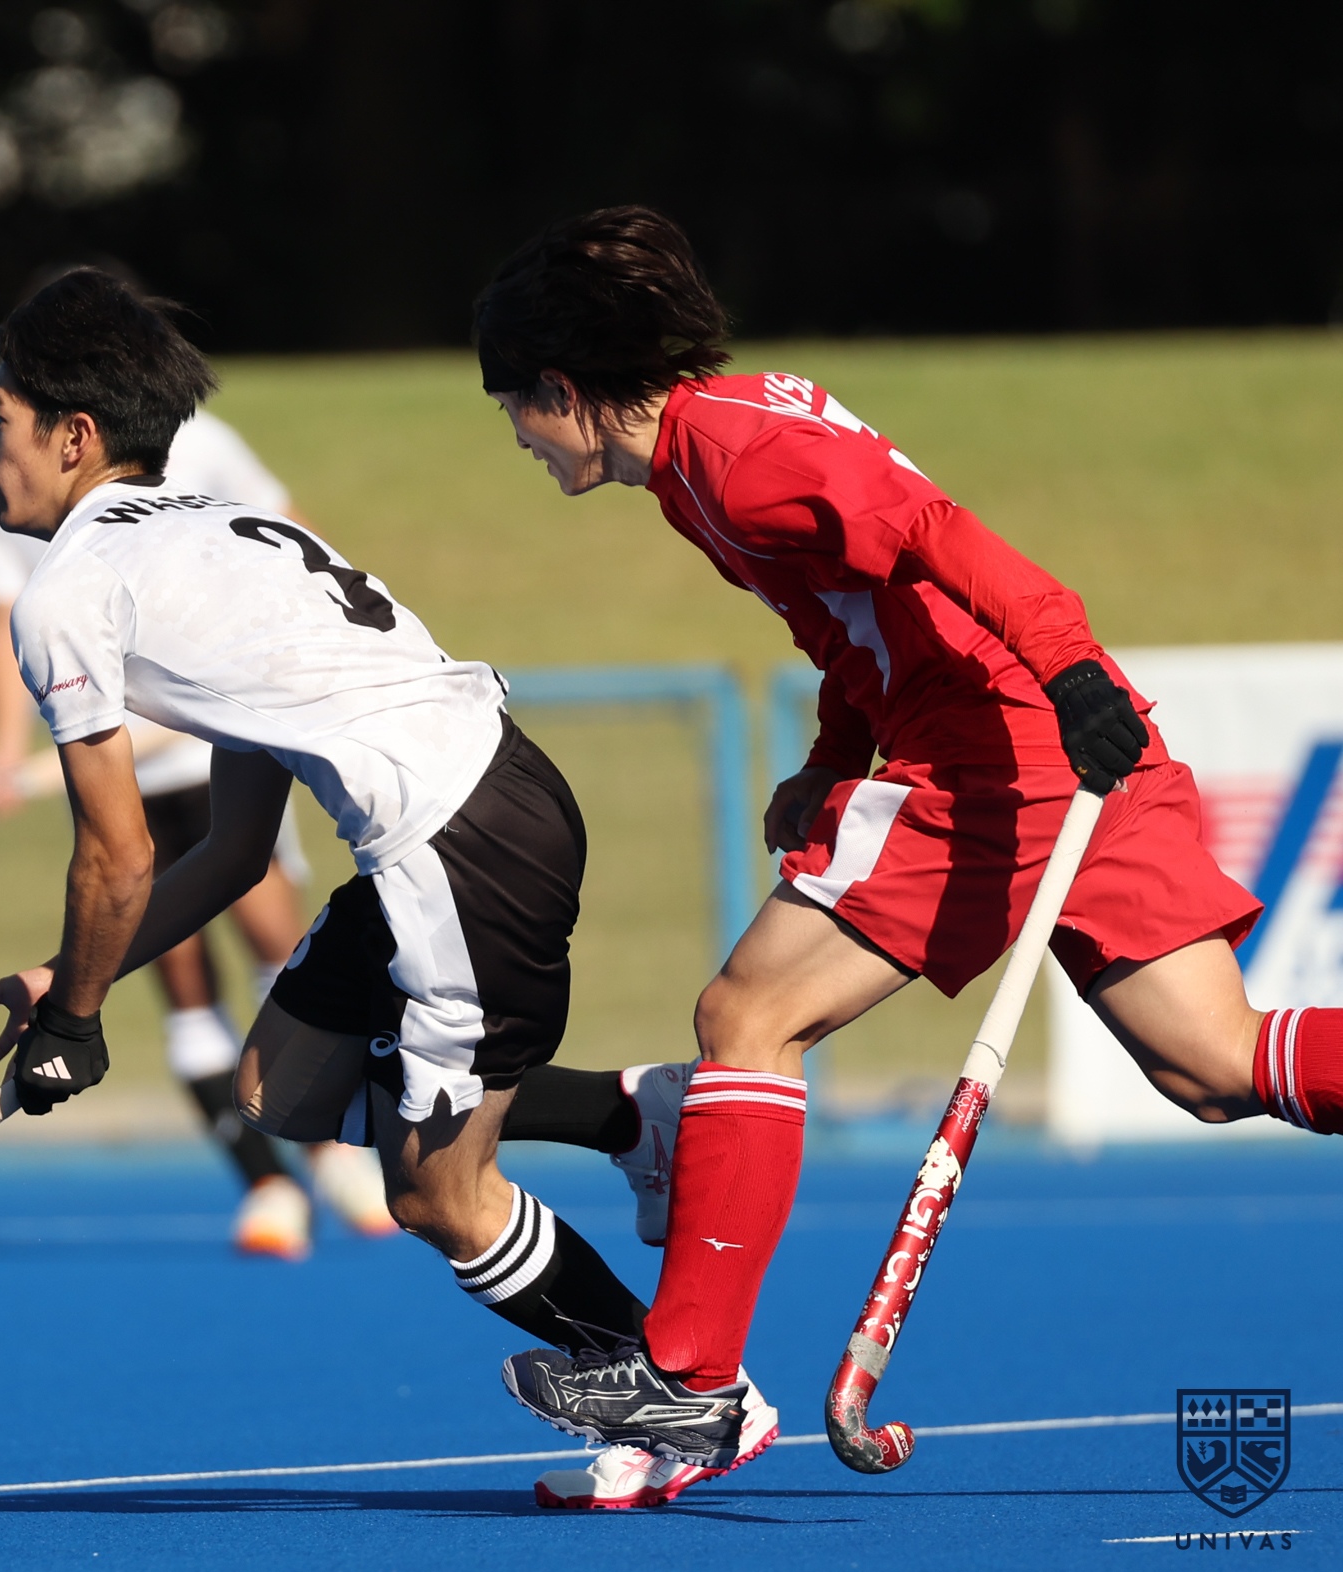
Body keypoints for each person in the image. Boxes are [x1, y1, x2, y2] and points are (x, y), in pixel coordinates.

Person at [470, 205, 1343, 1503]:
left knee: (747, 1014)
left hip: (1000, 753)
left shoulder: (735, 457)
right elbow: (857, 613)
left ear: (564, 387)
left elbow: (940, 534)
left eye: (515, 411)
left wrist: (1072, 673)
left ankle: (691, 1375)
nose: (520, 440)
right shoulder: (709, 453)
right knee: (1214, 1065)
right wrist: (832, 760)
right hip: (1040, 744)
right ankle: (689, 1380)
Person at [0, 268, 746, 1451]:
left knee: (433, 1196)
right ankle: (636, 1117)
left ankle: (678, 1390)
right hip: (496, 797)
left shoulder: (68, 593)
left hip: (455, 847)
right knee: (280, 1088)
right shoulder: (210, 537)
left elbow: (117, 855)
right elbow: (232, 853)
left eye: (1, 418)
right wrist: (69, 980)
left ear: (74, 437)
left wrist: (73, 1022)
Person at [0, 347, 395, 1261]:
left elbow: (295, 549)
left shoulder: (199, 452)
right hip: (122, 775)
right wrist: (4, 751)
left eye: (1, 411)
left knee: (281, 945)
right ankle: (269, 1183)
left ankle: (334, 1147)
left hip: (226, 753)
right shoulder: (7, 479)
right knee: (183, 983)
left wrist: (71, 1010)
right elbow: (0, 611)